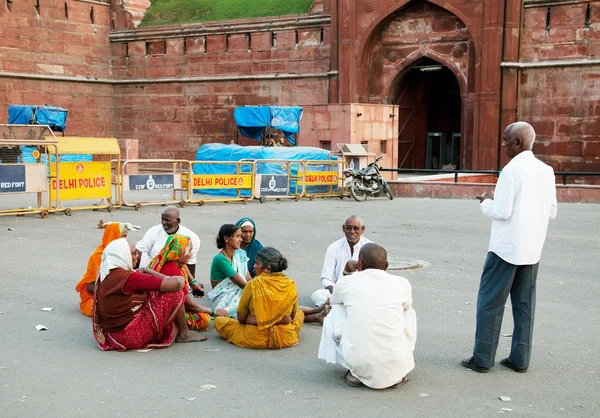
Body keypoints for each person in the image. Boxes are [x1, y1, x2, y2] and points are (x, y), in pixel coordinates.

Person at [461, 122, 557, 373]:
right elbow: (552, 210)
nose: (502, 144)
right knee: (525, 305)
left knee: (489, 303)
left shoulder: (511, 169)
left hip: (506, 248)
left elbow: (502, 211)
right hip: (532, 249)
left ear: (518, 143)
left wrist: (485, 202)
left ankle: (482, 359)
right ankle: (520, 358)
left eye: (505, 140)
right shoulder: (546, 170)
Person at [318, 243, 417, 389]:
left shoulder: (347, 282)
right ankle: (397, 370)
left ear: (359, 264)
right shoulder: (402, 283)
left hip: (358, 359)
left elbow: (335, 300)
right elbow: (406, 305)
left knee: (338, 308)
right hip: (395, 362)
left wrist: (346, 272)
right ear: (387, 265)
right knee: (408, 311)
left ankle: (355, 371)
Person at [93, 238, 207, 351]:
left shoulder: (106, 273)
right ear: (122, 255)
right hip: (129, 336)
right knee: (174, 293)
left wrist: (145, 269)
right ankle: (185, 333)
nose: (137, 256)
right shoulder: (128, 277)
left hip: (113, 335)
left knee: (155, 292)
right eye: (133, 254)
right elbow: (178, 283)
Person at [214, 247, 330, 349]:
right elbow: (293, 316)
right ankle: (316, 314)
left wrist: (255, 319)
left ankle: (316, 314)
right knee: (300, 314)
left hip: (254, 337)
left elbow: (241, 318)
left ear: (267, 268)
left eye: (257, 263)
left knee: (219, 321)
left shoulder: (253, 284)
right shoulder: (290, 284)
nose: (254, 267)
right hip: (286, 337)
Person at [148, 234, 228, 331]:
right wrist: (214, 311)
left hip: (155, 306)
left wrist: (193, 283)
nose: (191, 255)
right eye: (189, 251)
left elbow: (183, 266)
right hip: (162, 311)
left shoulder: (164, 258)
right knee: (204, 319)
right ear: (180, 253)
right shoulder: (174, 271)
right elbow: (188, 305)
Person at [311, 215, 372, 306]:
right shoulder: (334, 247)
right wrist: (336, 293)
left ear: (362, 229)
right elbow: (326, 278)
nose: (352, 232)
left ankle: (333, 309)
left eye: (356, 228)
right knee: (318, 295)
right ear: (343, 228)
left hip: (362, 292)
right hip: (338, 292)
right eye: (348, 228)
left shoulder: (370, 247)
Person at [75, 223, 127, 317]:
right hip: (96, 295)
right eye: (122, 236)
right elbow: (90, 287)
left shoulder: (123, 253)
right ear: (113, 235)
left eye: (125, 236)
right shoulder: (98, 256)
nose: (124, 240)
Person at [135, 206, 201, 279]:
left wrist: (192, 282)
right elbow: (139, 251)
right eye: (162, 219)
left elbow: (190, 262)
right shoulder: (153, 231)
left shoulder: (192, 238)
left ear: (178, 221)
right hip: (152, 266)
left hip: (175, 270)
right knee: (135, 253)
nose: (163, 223)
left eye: (167, 220)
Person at [208, 224, 252, 318]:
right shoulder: (220, 259)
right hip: (225, 298)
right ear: (226, 238)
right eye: (238, 236)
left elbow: (247, 278)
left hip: (241, 291)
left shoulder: (241, 254)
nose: (241, 239)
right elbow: (241, 284)